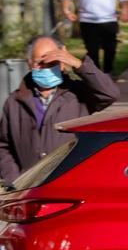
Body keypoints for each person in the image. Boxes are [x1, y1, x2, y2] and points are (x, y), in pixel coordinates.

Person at [0, 36, 119, 185]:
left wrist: (78, 64)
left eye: (52, 63)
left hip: (70, 183)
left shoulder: (77, 94)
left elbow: (110, 94)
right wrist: (15, 179)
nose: (46, 68)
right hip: (29, 188)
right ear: (29, 64)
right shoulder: (14, 102)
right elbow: (4, 146)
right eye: (40, 63)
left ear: (62, 64)